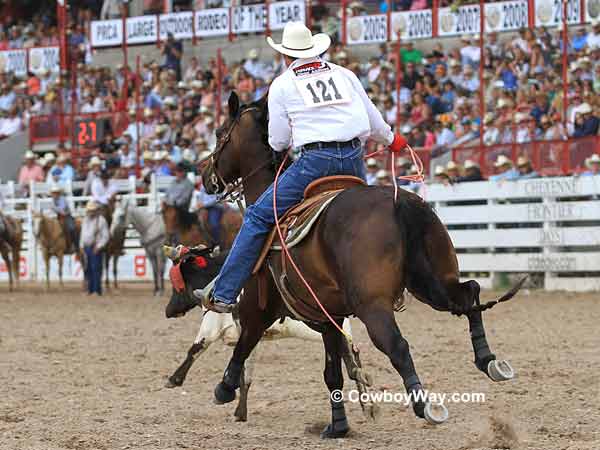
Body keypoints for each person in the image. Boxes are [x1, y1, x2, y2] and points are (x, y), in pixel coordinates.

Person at [194, 21, 408, 313]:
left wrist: (284, 141)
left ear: (285, 55)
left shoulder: (283, 83)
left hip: (315, 163)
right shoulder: (344, 74)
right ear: (315, 49)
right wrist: (394, 140)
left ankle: (224, 293)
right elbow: (373, 121)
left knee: (257, 216)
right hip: (354, 162)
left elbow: (279, 141)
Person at [80, 200, 109, 296]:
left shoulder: (101, 221)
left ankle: (97, 290)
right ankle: (90, 289)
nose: (91, 212)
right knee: (88, 269)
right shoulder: (85, 220)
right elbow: (82, 234)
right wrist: (81, 246)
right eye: (89, 210)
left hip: (95, 247)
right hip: (86, 247)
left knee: (96, 268)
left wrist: (99, 246)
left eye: (92, 210)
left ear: (96, 211)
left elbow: (105, 236)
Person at [49, 184, 78, 253]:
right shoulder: (53, 200)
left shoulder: (62, 199)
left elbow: (61, 209)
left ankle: (75, 245)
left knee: (72, 228)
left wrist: (55, 208)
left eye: (56, 193)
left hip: (67, 216)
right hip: (59, 217)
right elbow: (55, 209)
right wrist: (55, 209)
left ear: (58, 193)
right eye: (53, 193)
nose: (54, 194)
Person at [195, 182, 225, 246]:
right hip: (204, 207)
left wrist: (204, 204)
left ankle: (218, 242)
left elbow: (218, 198)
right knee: (196, 223)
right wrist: (199, 203)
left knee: (214, 224)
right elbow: (201, 196)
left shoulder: (217, 182)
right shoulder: (204, 182)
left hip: (215, 206)